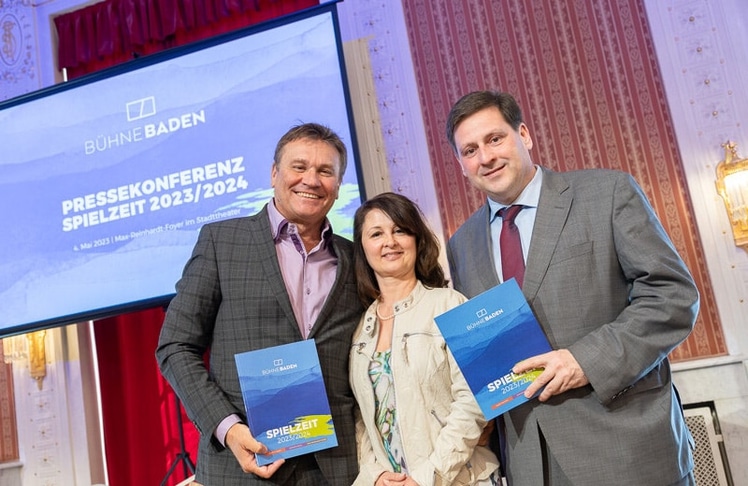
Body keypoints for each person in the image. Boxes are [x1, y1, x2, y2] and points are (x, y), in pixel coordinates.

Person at [444, 90, 699, 486]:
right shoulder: (461, 244)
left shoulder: (607, 193)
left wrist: (584, 361)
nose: (486, 157)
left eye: (495, 139)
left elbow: (673, 297)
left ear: (524, 135)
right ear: (462, 165)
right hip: (532, 466)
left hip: (627, 450)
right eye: (470, 150)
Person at [156, 123, 363, 485]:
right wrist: (229, 429)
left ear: (338, 184)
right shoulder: (222, 242)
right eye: (299, 166)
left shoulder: (355, 258)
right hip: (243, 465)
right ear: (274, 174)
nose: (311, 180)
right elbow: (175, 346)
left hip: (335, 469)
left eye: (325, 171)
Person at [349, 192, 500, 486]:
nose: (390, 242)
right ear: (363, 248)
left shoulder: (451, 304)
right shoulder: (359, 330)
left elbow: (473, 402)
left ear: (416, 239)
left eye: (400, 230)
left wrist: (428, 476)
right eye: (376, 234)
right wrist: (374, 474)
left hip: (458, 478)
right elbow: (361, 416)